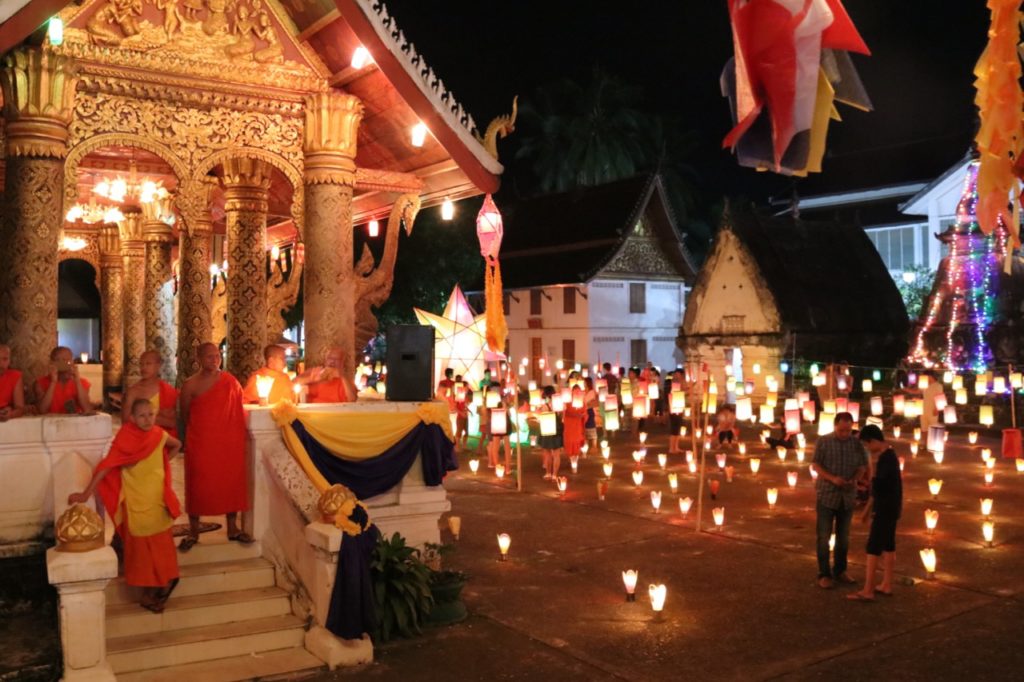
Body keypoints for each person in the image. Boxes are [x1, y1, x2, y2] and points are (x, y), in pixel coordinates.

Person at [67, 398, 182, 612]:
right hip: (136, 500)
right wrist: (86, 494)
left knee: (160, 545)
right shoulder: (126, 438)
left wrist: (163, 463)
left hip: (157, 500)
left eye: (151, 414)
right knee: (142, 548)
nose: (147, 420)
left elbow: (177, 445)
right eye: (142, 415)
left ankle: (162, 585)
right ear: (131, 418)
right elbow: (106, 466)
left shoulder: (158, 434)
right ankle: (151, 592)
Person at [178, 342, 251, 552]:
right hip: (201, 442)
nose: (214, 359)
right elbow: (185, 414)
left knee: (230, 483)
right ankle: (193, 531)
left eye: (217, 355)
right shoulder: (190, 384)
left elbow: (238, 407)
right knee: (198, 485)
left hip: (227, 442)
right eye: (209, 356)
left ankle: (232, 528)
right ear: (199, 359)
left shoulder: (230, 381)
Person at [811, 412, 868, 588]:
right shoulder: (824, 441)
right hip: (827, 495)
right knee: (823, 536)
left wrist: (855, 479)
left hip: (847, 497)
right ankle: (824, 573)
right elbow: (815, 464)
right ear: (835, 426)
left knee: (843, 537)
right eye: (842, 430)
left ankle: (840, 570)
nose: (845, 434)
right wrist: (832, 478)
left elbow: (862, 465)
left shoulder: (856, 443)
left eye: (848, 430)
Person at [848, 425, 902, 601]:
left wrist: (868, 510)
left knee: (873, 547)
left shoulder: (885, 459)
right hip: (893, 507)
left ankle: (868, 590)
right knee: (888, 545)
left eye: (866, 444)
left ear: (873, 441)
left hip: (884, 509)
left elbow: (878, 488)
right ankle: (886, 584)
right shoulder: (891, 455)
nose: (867, 448)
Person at [121, 351, 178, 437]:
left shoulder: (168, 390)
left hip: (163, 440)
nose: (144, 368)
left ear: (158, 365)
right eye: (141, 364)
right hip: (140, 439)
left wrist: (144, 417)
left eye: (148, 364)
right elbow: (126, 420)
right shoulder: (133, 391)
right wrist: (158, 418)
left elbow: (173, 423)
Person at [36, 346, 93, 415]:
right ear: (52, 362)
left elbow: (87, 409)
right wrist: (53, 382)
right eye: (58, 360)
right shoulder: (41, 383)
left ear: (72, 361)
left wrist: (77, 381)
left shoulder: (83, 383)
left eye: (66, 360)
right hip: (50, 422)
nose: (62, 363)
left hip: (75, 423)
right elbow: (42, 410)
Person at [0, 344, 25, 421]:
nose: (1, 364)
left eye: (5, 359)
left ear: (9, 361)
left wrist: (10, 414)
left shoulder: (15, 376)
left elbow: (20, 408)